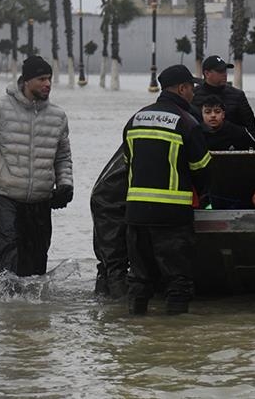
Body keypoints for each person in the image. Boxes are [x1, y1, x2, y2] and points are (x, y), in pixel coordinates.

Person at [0, 55, 73, 277]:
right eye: (41, 79)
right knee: (9, 251)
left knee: (36, 263)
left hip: (41, 200)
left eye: (49, 78)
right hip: (6, 196)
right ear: (26, 81)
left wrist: (66, 185)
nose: (47, 84)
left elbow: (63, 157)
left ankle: (32, 310)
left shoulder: (58, 116)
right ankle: (7, 308)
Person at [122, 64, 213, 315]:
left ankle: (136, 326)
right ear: (182, 88)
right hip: (171, 215)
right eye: (191, 87)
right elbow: (202, 168)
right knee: (177, 281)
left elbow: (128, 163)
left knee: (139, 278)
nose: (194, 93)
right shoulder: (187, 122)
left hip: (136, 214)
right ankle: (174, 339)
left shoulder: (136, 119)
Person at [91, 144, 129, 299]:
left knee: (109, 268)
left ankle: (108, 304)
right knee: (113, 268)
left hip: (106, 200)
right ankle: (116, 305)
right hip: (109, 204)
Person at [193, 54, 255, 141]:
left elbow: (250, 128)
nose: (224, 74)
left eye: (225, 71)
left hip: (232, 149)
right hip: (201, 146)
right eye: (220, 71)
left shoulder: (238, 95)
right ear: (207, 73)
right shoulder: (193, 95)